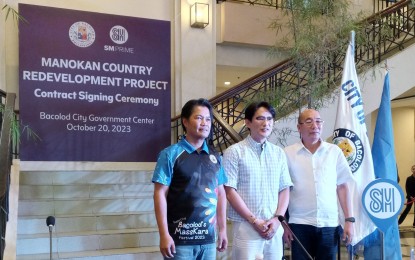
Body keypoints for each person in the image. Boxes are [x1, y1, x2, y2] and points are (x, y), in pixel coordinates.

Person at [152, 98, 228, 259]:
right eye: (199, 118)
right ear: (185, 122)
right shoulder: (170, 154)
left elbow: (221, 193)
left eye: (208, 119)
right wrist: (164, 234)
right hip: (180, 241)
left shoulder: (215, 156)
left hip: (208, 240)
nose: (205, 123)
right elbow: (159, 194)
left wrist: (222, 230)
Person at [222, 101, 293, 260]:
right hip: (246, 227)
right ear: (248, 122)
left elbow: (284, 188)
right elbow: (229, 191)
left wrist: (277, 219)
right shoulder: (234, 152)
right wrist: (254, 221)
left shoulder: (278, 153)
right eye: (260, 118)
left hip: (273, 226)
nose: (266, 123)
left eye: (269, 119)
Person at [283, 109, 354, 260]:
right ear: (299, 127)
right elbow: (282, 190)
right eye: (309, 121)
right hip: (298, 224)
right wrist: (284, 224)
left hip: (329, 224)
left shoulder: (334, 151)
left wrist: (349, 220)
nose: (314, 125)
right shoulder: (287, 154)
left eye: (318, 121)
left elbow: (342, 187)